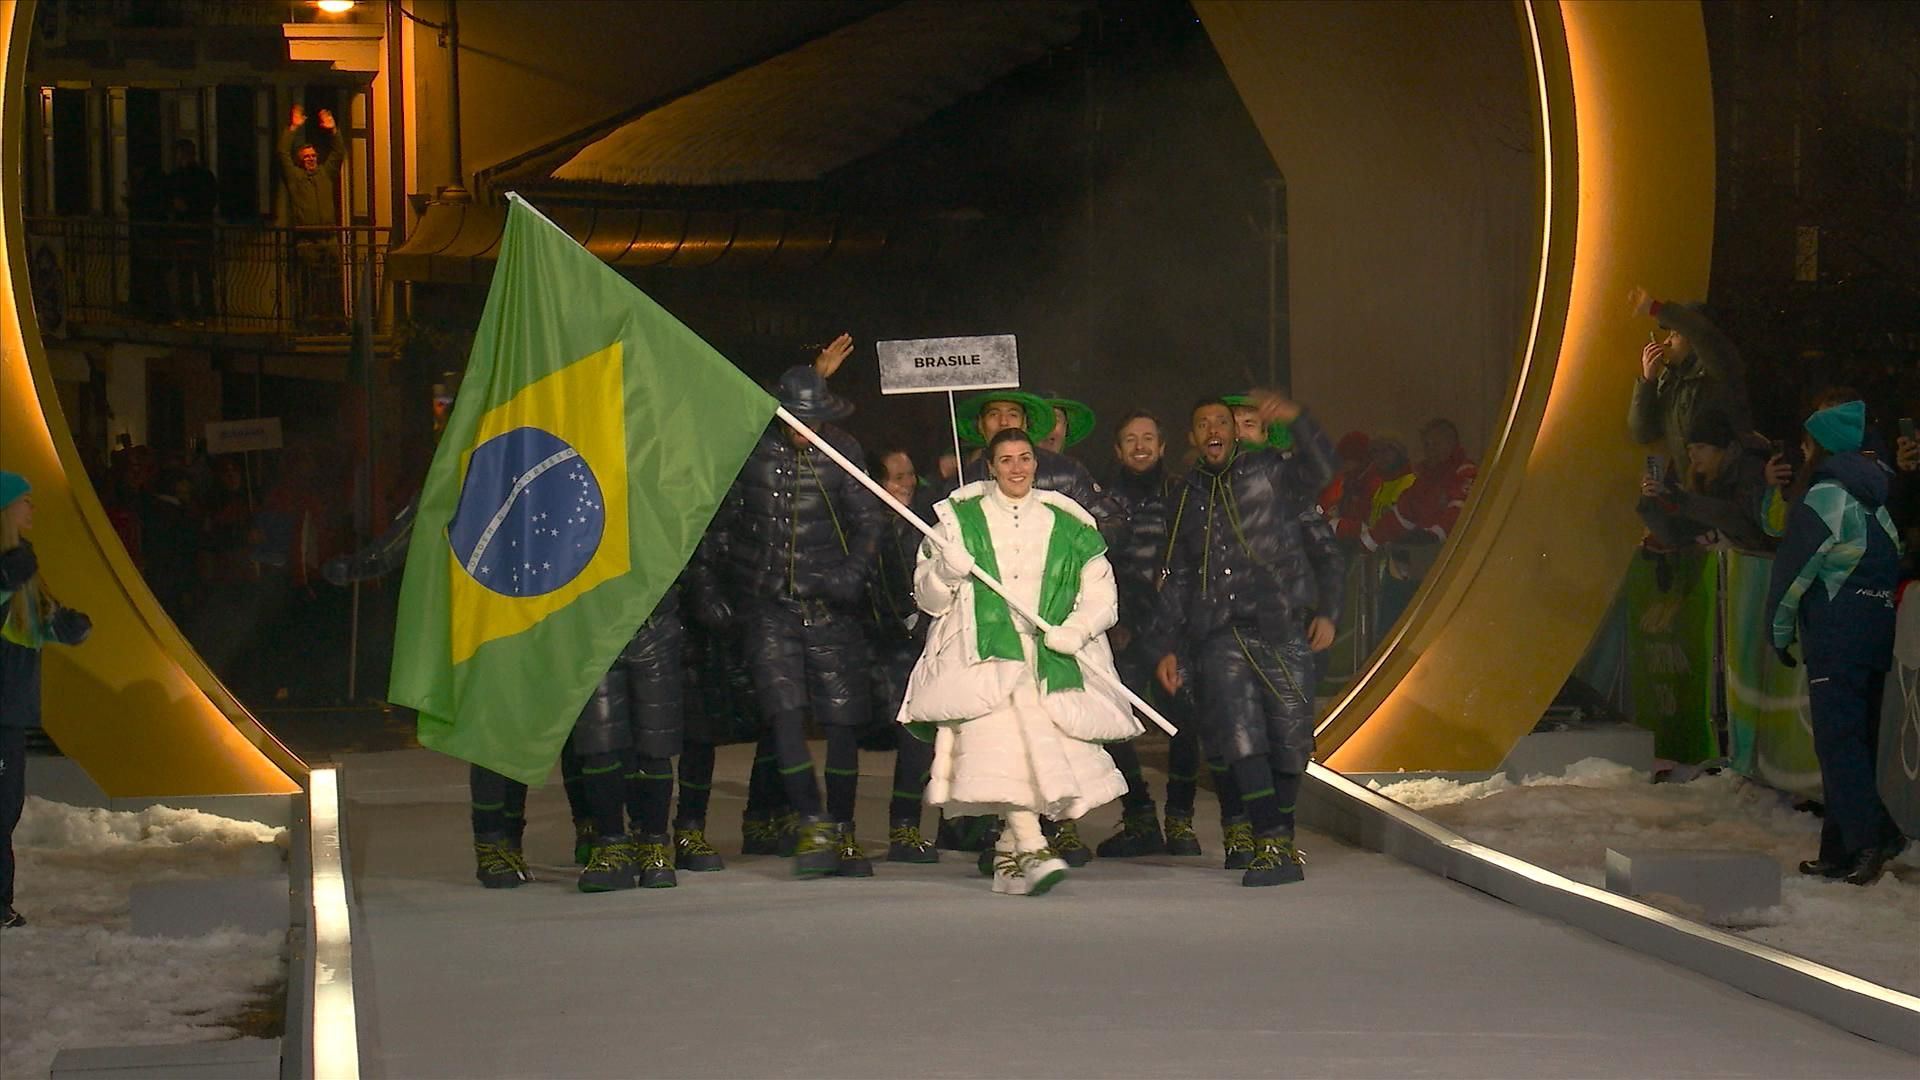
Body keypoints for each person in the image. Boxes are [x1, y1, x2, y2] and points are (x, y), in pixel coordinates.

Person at [900, 428, 1141, 896]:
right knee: (1005, 743)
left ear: (1036, 462)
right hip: (982, 654)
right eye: (1006, 459)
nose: (1016, 468)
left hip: (1047, 657)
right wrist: (946, 568)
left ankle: (1009, 855)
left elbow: (1101, 595)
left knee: (1032, 756)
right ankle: (1031, 845)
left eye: (1024, 458)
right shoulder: (955, 521)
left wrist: (1076, 629)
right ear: (990, 465)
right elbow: (929, 600)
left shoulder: (1068, 522)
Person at [1146, 394, 1343, 887]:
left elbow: (1323, 467)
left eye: (1220, 421)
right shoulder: (1185, 494)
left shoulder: (1274, 473)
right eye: (1201, 423)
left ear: (1234, 431)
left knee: (1290, 738)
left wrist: (1299, 418)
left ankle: (1279, 836)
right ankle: (1268, 839)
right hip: (1218, 629)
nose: (1212, 429)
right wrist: (1168, 642)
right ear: (1192, 439)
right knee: (1238, 733)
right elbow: (1179, 573)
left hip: (1279, 622)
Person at [708, 335, 885, 877]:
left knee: (841, 721)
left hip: (830, 607)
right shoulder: (748, 452)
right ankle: (812, 822)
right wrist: (714, 587)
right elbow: (720, 525)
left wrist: (850, 576)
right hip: (769, 608)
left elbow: (870, 519)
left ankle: (844, 829)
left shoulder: (845, 449)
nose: (803, 430)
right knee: (783, 713)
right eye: (794, 418)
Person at [1766, 398, 1907, 886]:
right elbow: (1892, 559)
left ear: (1818, 446)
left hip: (1836, 637)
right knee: (1855, 744)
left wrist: (1778, 632)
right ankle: (1841, 847)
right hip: (1873, 635)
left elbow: (1794, 574)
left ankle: (1872, 839)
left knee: (1837, 746)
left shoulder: (1825, 496)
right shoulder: (1872, 499)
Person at [1093, 410, 1204, 857]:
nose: (1140, 446)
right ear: (1118, 450)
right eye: (1130, 439)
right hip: (1119, 632)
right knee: (1114, 725)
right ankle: (1139, 818)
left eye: (1148, 438)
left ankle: (1180, 823)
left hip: (1172, 633)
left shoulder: (1183, 494)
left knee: (1184, 724)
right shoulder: (1100, 500)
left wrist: (1177, 629)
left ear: (1162, 447)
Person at [2, 471, 95, 928]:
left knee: (6, 808)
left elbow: (30, 622)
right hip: (3, 708)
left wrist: (63, 625)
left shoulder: (21, 564)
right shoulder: (11, 566)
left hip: (11, 710)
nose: (32, 509)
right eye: (25, 501)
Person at [865, 447, 940, 862]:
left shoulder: (922, 528)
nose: (906, 484)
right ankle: (903, 829)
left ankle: (953, 824)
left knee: (933, 738)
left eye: (910, 475)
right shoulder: (868, 530)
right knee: (913, 735)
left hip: (923, 645)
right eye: (896, 477)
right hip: (884, 652)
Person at [1627, 286, 1753, 469]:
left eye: (1675, 334)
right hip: (1695, 486)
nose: (1666, 342)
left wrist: (1655, 308)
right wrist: (1648, 381)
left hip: (1730, 484)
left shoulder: (1719, 369)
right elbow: (1643, 433)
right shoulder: (1670, 380)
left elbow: (1704, 335)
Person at [1636, 410, 1779, 553]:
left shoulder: (1749, 467)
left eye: (1700, 447)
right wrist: (1649, 502)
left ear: (1722, 448)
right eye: (1689, 449)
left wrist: (1682, 500)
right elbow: (1674, 535)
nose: (1692, 454)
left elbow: (1742, 522)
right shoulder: (1706, 483)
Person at [279, 105, 345, 327]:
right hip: (307, 242)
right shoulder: (296, 178)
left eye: (313, 156)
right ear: (301, 160)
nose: (311, 159)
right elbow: (282, 154)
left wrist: (333, 131)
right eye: (306, 156)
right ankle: (308, 324)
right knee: (308, 285)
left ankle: (334, 322)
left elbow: (338, 153)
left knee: (332, 285)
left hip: (330, 241)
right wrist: (294, 128)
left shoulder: (325, 174)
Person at [165, 138, 219, 321]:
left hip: (193, 231)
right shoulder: (201, 176)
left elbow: (209, 201)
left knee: (196, 273)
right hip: (192, 232)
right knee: (190, 273)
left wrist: (186, 207)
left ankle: (200, 309)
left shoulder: (187, 177)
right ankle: (197, 309)